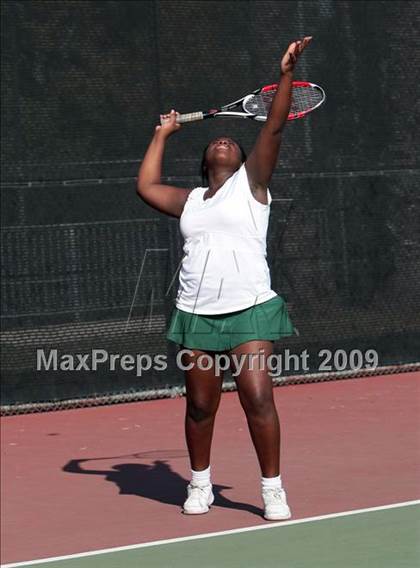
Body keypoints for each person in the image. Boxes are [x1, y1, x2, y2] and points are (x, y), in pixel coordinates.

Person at [137, 36, 312, 521]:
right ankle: (200, 484)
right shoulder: (191, 201)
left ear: (240, 160)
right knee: (199, 405)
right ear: (205, 161)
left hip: (250, 308)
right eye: (218, 140)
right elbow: (146, 187)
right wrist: (162, 135)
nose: (224, 141)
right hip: (196, 313)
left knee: (257, 395)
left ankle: (272, 489)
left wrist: (285, 76)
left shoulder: (253, 186)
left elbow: (273, 127)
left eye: (233, 142)